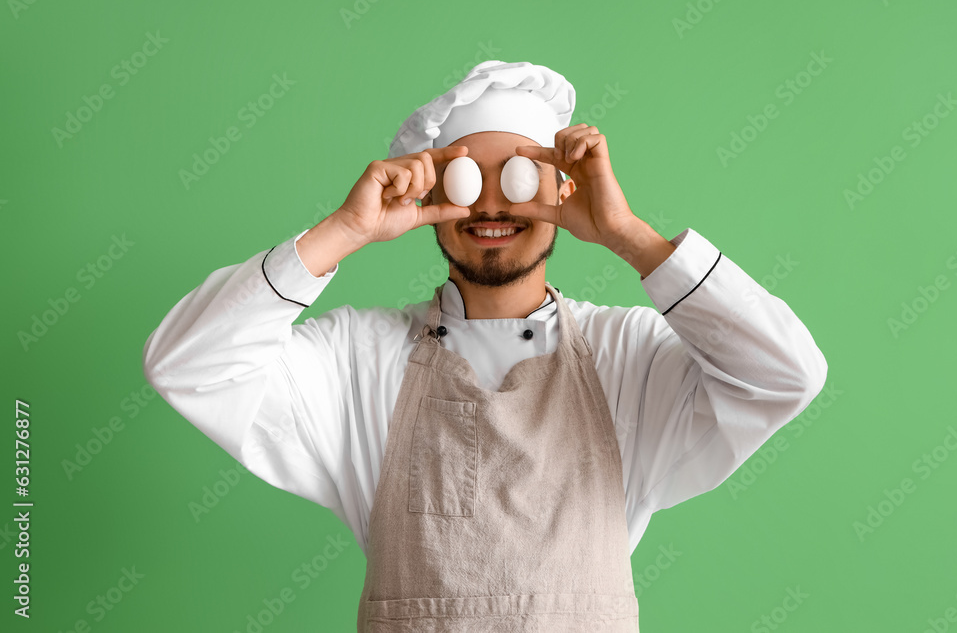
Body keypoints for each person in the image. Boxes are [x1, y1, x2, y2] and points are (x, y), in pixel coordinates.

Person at [142, 60, 827, 632]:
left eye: (522, 178)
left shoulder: (630, 357)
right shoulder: (358, 361)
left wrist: (630, 235)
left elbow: (787, 374)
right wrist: (343, 231)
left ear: (563, 188)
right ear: (430, 194)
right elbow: (188, 365)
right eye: (469, 179)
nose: (494, 206)